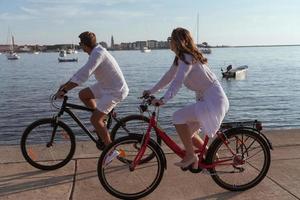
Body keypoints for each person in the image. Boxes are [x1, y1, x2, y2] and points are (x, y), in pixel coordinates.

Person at [143, 27, 229, 168]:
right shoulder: (181, 58)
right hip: (208, 99)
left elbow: (177, 82)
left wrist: (163, 100)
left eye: (171, 39)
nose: (170, 42)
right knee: (187, 133)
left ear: (177, 41)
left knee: (177, 117)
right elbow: (168, 77)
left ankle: (190, 156)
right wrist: (151, 90)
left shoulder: (187, 58)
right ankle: (210, 156)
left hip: (213, 101)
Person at [55, 31, 129, 150]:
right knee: (83, 94)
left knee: (94, 119)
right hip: (106, 86)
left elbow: (84, 75)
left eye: (80, 44)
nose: (80, 46)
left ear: (85, 45)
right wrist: (66, 84)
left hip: (116, 90)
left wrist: (65, 90)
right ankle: (102, 120)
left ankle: (110, 149)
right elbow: (81, 71)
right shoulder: (96, 52)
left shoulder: (98, 54)